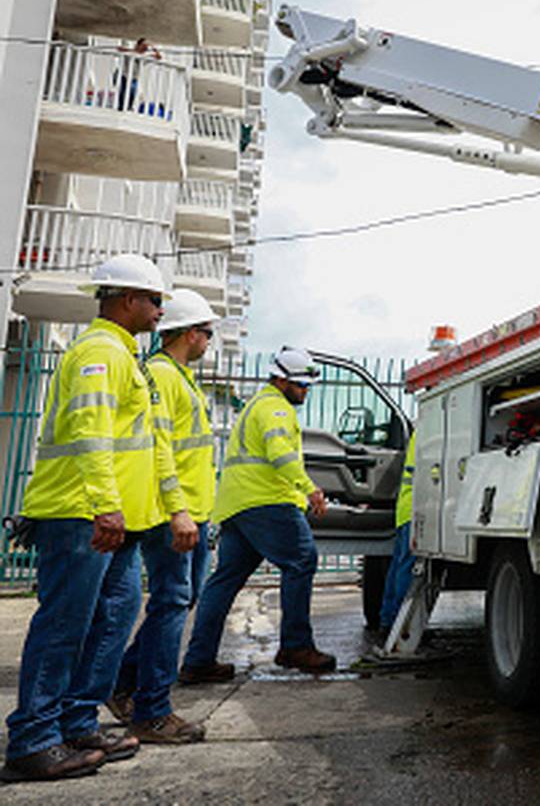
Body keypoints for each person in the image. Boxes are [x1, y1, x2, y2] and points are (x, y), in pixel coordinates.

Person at [2, 254, 188, 783]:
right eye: (155, 301)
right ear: (128, 300)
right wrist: (105, 504)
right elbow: (91, 433)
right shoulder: (100, 352)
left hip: (115, 522)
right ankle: (34, 739)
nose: (159, 312)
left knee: (113, 617)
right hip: (81, 515)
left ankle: (77, 722)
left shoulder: (126, 356)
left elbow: (146, 444)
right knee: (65, 625)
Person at [179, 347, 334, 682]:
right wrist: (309, 487)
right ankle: (295, 646)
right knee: (302, 560)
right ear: (280, 379)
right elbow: (279, 454)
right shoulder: (275, 408)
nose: (306, 391)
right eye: (301, 385)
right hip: (267, 501)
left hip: (239, 505)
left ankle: (198, 661)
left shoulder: (257, 405)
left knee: (223, 582)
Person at [107, 289, 219, 743]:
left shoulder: (180, 375)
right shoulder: (161, 374)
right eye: (207, 333)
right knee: (171, 603)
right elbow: (161, 449)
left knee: (177, 601)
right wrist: (179, 511)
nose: (210, 341)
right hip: (176, 512)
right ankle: (151, 710)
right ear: (191, 333)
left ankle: (125, 683)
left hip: (193, 511)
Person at [376, 431, 417, 637]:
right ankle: (400, 625)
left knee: (398, 566)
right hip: (414, 510)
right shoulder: (427, 430)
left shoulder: (420, 430)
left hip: (405, 509)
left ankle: (388, 620)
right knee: (406, 568)